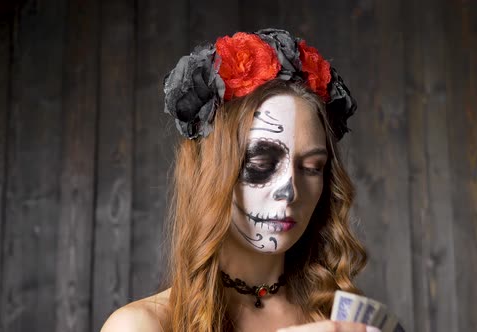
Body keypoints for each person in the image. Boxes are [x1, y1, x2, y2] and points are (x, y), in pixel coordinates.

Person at [101, 28, 378, 332]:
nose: (290, 190)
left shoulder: (340, 320)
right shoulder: (141, 325)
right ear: (211, 174)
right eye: (261, 163)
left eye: (312, 167)